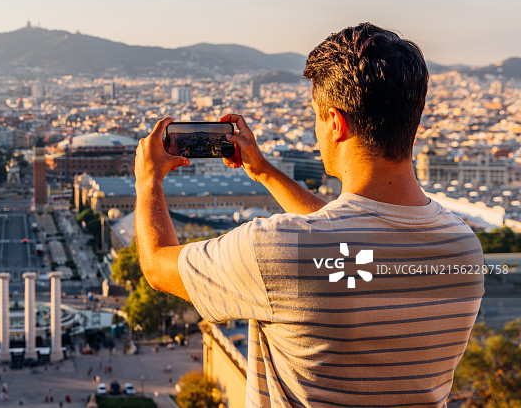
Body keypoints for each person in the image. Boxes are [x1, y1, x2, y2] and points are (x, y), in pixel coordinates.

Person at [135, 23, 483, 407]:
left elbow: (156, 266)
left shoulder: (276, 250)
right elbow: (348, 241)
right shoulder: (464, 249)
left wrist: (148, 180)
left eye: (316, 117)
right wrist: (263, 170)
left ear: (336, 123)